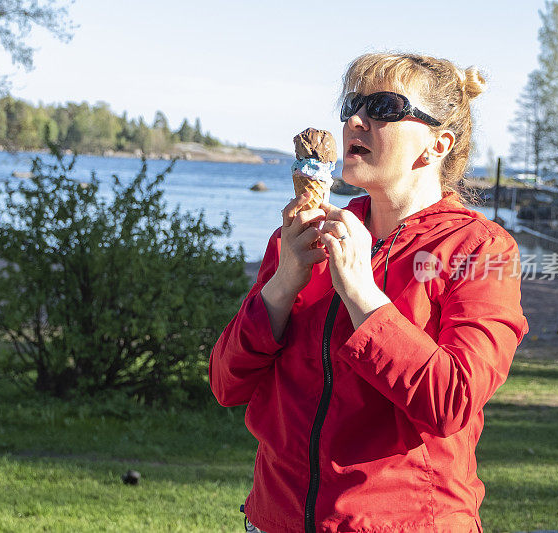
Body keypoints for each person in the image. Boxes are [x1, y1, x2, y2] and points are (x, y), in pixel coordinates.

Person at [209, 52, 529, 533]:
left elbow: (454, 401)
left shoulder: (479, 249)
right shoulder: (304, 238)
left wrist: (362, 292)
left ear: (437, 143)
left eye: (383, 107)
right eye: (351, 105)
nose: (355, 119)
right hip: (274, 519)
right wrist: (282, 283)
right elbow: (226, 383)